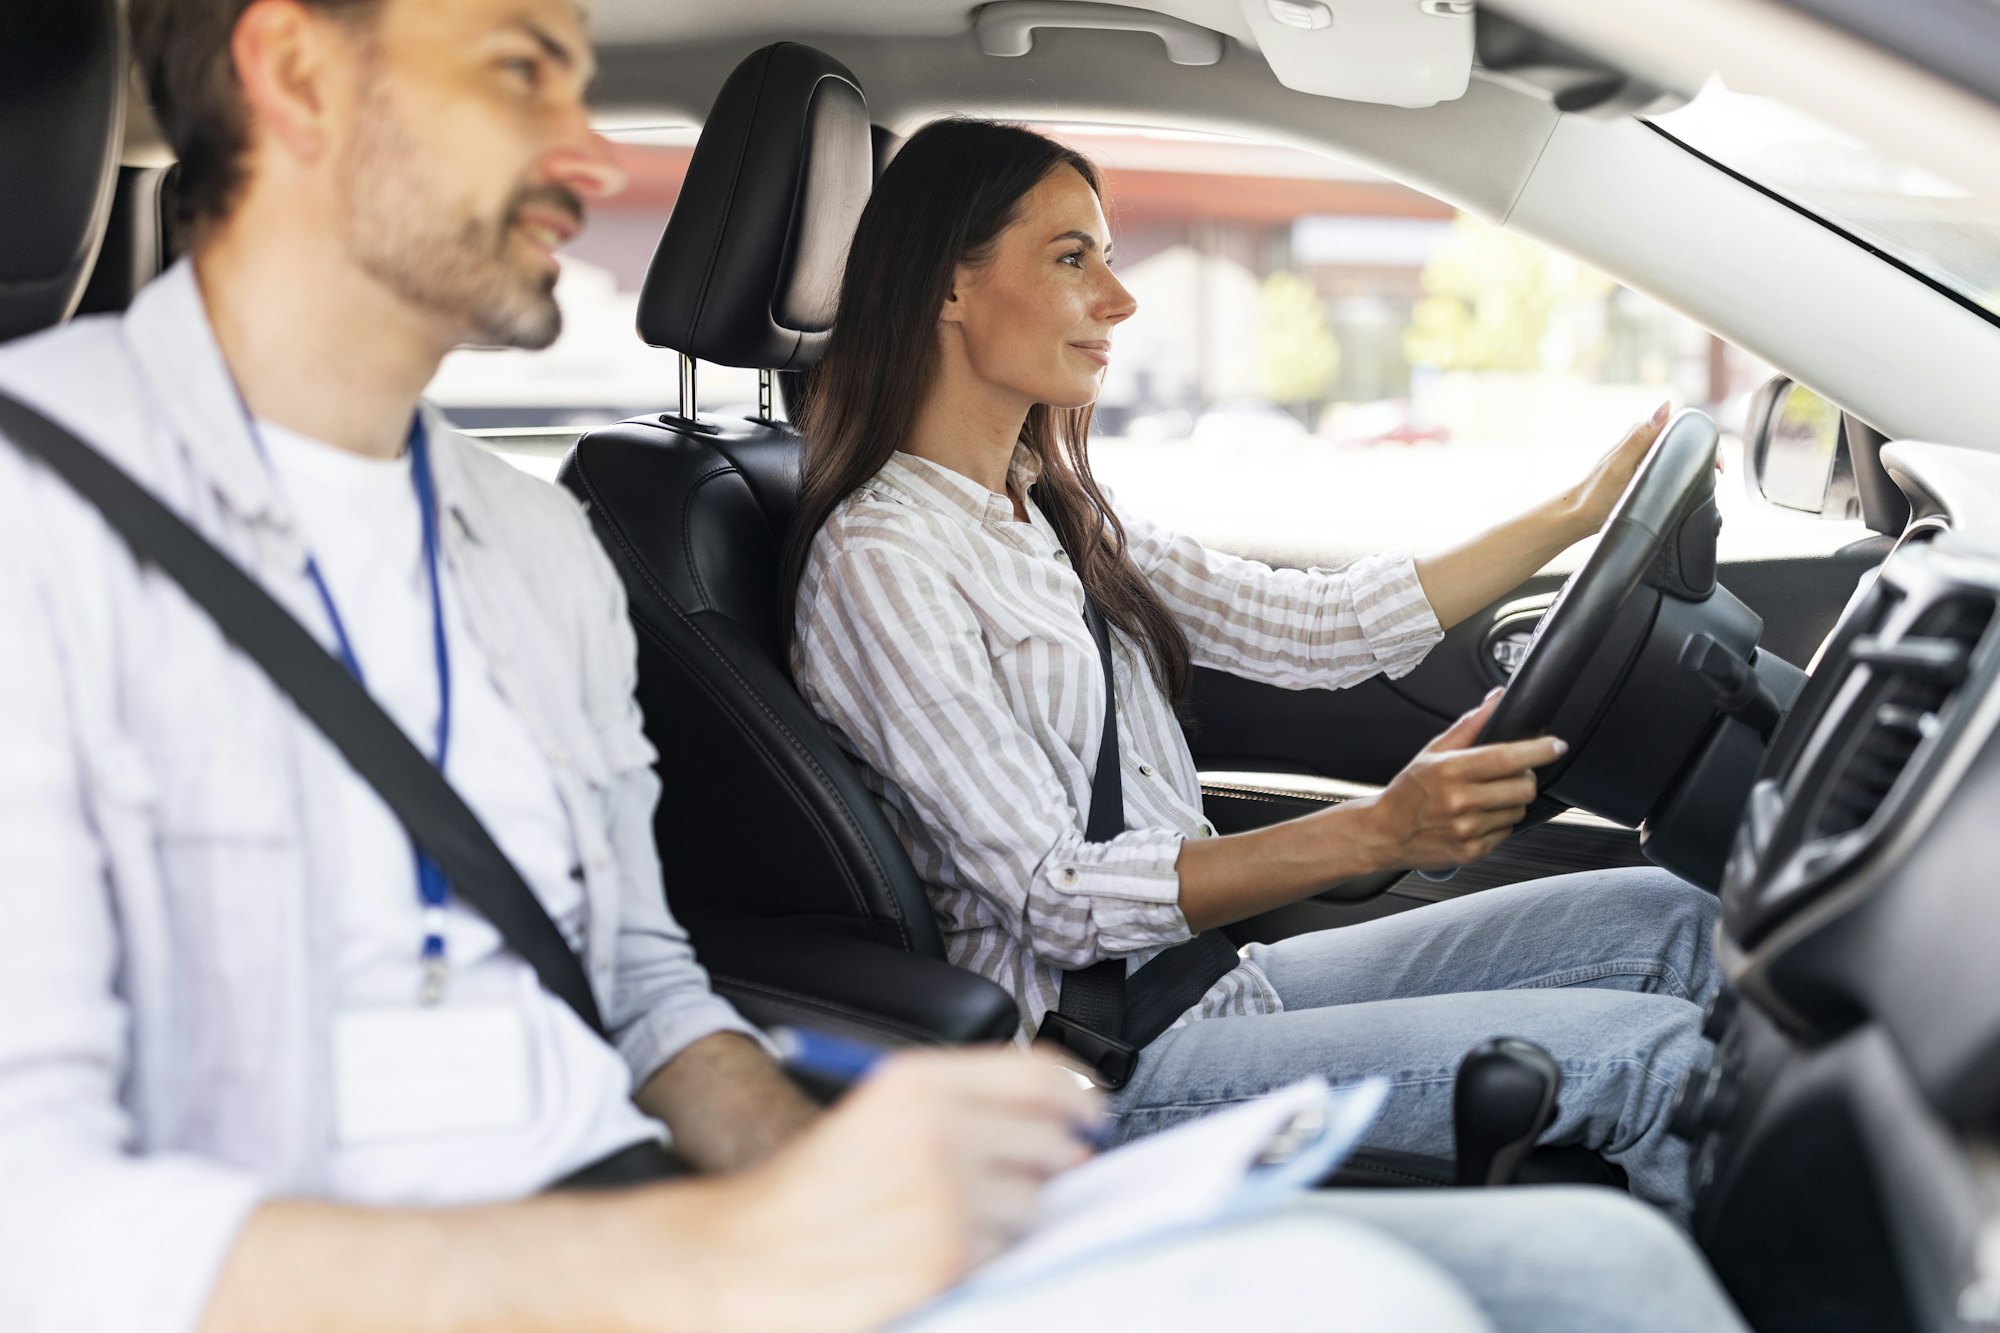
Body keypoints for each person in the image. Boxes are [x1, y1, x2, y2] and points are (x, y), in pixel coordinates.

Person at [0, 2, 1749, 1331]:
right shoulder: (43, 538)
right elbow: (42, 1221)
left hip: (701, 1223)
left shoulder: (528, 544)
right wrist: (714, 1251)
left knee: (1599, 1227)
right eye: (524, 67)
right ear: (296, 74)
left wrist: (806, 1161)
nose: (595, 155)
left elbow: (645, 977)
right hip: (600, 1268)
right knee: (1600, 1270)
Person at [787, 117, 1722, 1219]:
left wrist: (1576, 514)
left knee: (1675, 919)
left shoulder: (1046, 510)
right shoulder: (881, 560)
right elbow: (1051, 894)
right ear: (950, 287)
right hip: (1093, 1060)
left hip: (1204, 987)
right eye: (1070, 258)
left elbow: (1320, 626)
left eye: (1107, 257)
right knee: (1655, 1059)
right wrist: (1377, 831)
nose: (1118, 301)